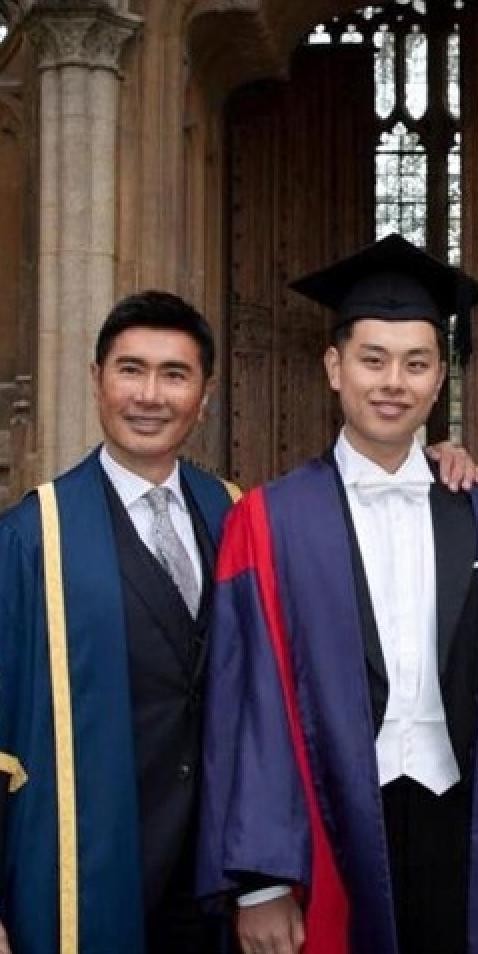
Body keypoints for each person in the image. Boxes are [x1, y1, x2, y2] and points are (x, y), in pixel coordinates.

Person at [197, 233, 478, 954]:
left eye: (416, 363)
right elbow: (243, 702)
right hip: (327, 825)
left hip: (465, 824)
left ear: (440, 380)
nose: (393, 382)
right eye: (373, 360)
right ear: (334, 367)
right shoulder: (269, 521)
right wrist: (259, 881)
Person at [0, 291, 241, 954]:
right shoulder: (32, 538)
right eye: (130, 370)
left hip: (213, 881)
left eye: (175, 374)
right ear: (97, 380)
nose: (150, 396)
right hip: (87, 864)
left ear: (204, 395)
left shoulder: (232, 512)